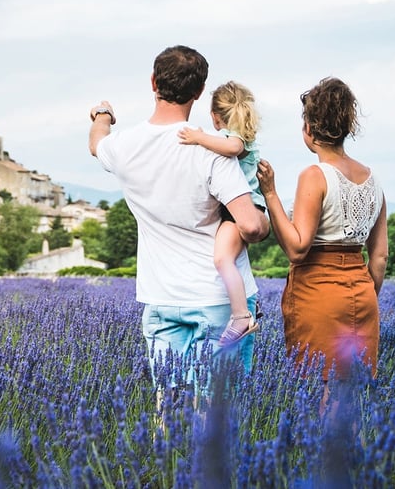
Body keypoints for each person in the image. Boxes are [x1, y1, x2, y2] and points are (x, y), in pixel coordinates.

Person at [88, 46, 270, 397]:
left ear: (153, 83)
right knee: (218, 416)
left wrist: (103, 115)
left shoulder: (125, 147)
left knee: (168, 410)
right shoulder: (210, 149)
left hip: (162, 297)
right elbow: (249, 226)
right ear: (200, 92)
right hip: (220, 301)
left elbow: (97, 144)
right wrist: (264, 218)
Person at [256, 77, 388, 379]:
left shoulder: (315, 175)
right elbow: (379, 257)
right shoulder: (374, 180)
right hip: (362, 294)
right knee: (353, 394)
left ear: (309, 130)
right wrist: (363, 293)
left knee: (319, 391)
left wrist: (271, 194)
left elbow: (297, 247)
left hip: (318, 293)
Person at [176, 81, 266, 347]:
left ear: (216, 116)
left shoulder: (235, 137)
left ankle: (241, 316)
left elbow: (233, 148)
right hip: (238, 209)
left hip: (241, 211)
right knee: (224, 258)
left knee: (222, 258)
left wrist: (198, 137)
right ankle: (243, 311)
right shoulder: (235, 135)